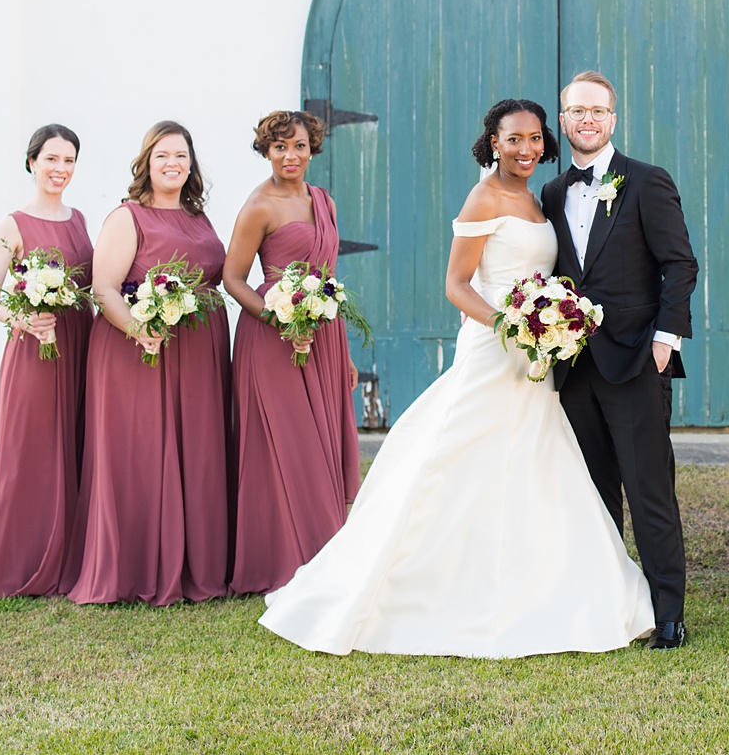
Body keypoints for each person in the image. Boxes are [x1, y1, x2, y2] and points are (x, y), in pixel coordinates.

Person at [259, 100, 653, 657]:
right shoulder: (484, 194)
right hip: (495, 350)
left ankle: (543, 587)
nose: (526, 149)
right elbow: (457, 284)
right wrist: (512, 327)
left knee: (536, 464)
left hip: (535, 360)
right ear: (493, 141)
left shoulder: (540, 199)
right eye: (514, 138)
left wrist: (548, 325)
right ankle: (416, 585)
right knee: (455, 459)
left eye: (535, 139)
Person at [540, 71, 700, 650]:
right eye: (576, 111)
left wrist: (666, 340)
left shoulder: (647, 181)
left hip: (637, 360)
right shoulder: (553, 193)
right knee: (594, 490)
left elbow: (680, 265)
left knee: (649, 487)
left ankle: (669, 612)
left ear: (613, 118)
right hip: (574, 365)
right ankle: (608, 603)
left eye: (597, 111)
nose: (587, 120)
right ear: (563, 119)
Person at [65, 121, 233, 606]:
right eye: (162, 156)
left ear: (191, 165)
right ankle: (136, 567)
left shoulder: (199, 217)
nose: (173, 164)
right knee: (140, 453)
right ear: (146, 162)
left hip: (199, 351)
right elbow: (104, 290)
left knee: (196, 452)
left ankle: (198, 565)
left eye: (181, 156)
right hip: (139, 351)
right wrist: (140, 329)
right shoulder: (128, 216)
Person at [224, 110, 360, 595]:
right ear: (266, 150)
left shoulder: (323, 200)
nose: (290, 155)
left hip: (322, 333)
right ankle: (278, 557)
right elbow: (232, 278)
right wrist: (276, 318)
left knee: (320, 442)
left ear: (312, 149)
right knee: (284, 443)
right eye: (279, 147)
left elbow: (326, 272)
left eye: (299, 146)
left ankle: (329, 554)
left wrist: (340, 352)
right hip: (272, 336)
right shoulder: (258, 206)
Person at [0, 124, 92, 599]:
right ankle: (22, 561)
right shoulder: (12, 225)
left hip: (79, 346)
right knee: (33, 453)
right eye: (52, 159)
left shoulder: (79, 220)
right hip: (35, 352)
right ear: (32, 162)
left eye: (69, 160)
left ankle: (72, 555)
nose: (60, 169)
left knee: (76, 444)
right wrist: (19, 321)